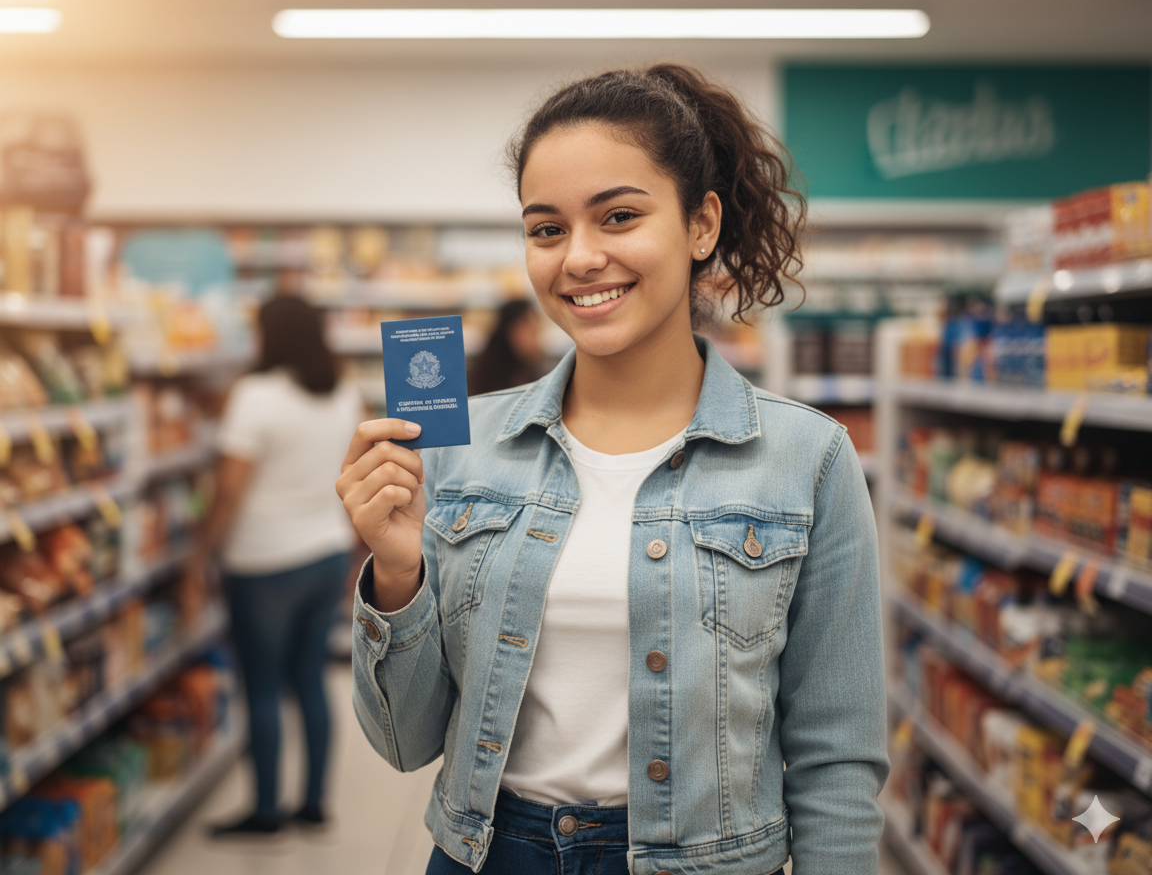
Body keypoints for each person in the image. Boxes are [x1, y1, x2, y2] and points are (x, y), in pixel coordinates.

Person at [339, 64, 889, 875]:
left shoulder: (807, 460)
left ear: (701, 225)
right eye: (546, 229)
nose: (581, 258)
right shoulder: (460, 446)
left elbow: (837, 755)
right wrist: (396, 570)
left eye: (619, 216)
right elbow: (403, 742)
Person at [189, 295, 363, 836]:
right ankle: (313, 803)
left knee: (261, 687)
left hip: (263, 559)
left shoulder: (256, 396)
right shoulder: (343, 391)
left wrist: (198, 555)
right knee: (310, 680)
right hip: (326, 551)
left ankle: (266, 810)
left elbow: (230, 490)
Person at [467, 299, 547, 396]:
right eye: (533, 332)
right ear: (512, 329)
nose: (538, 342)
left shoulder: (529, 371)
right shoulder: (491, 378)